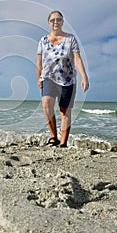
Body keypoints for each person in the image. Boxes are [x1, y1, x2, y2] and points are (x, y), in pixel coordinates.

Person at [37, 10, 89, 147]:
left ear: (62, 22)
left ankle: (63, 143)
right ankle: (53, 137)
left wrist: (84, 76)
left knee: (64, 111)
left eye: (58, 19)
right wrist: (39, 78)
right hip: (48, 77)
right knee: (46, 103)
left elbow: (77, 58)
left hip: (67, 80)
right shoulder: (43, 40)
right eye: (53, 20)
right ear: (49, 22)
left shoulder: (70, 39)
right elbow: (39, 62)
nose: (56, 22)